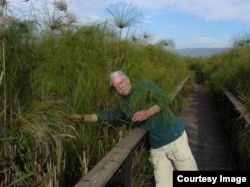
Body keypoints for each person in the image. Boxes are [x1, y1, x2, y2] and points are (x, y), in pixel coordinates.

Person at [71, 70, 198, 187]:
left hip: (175, 139)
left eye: (120, 82)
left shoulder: (144, 86)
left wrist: (148, 112)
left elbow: (166, 98)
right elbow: (102, 116)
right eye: (116, 86)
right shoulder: (123, 106)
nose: (120, 87)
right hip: (157, 147)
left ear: (127, 80)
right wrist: (80, 117)